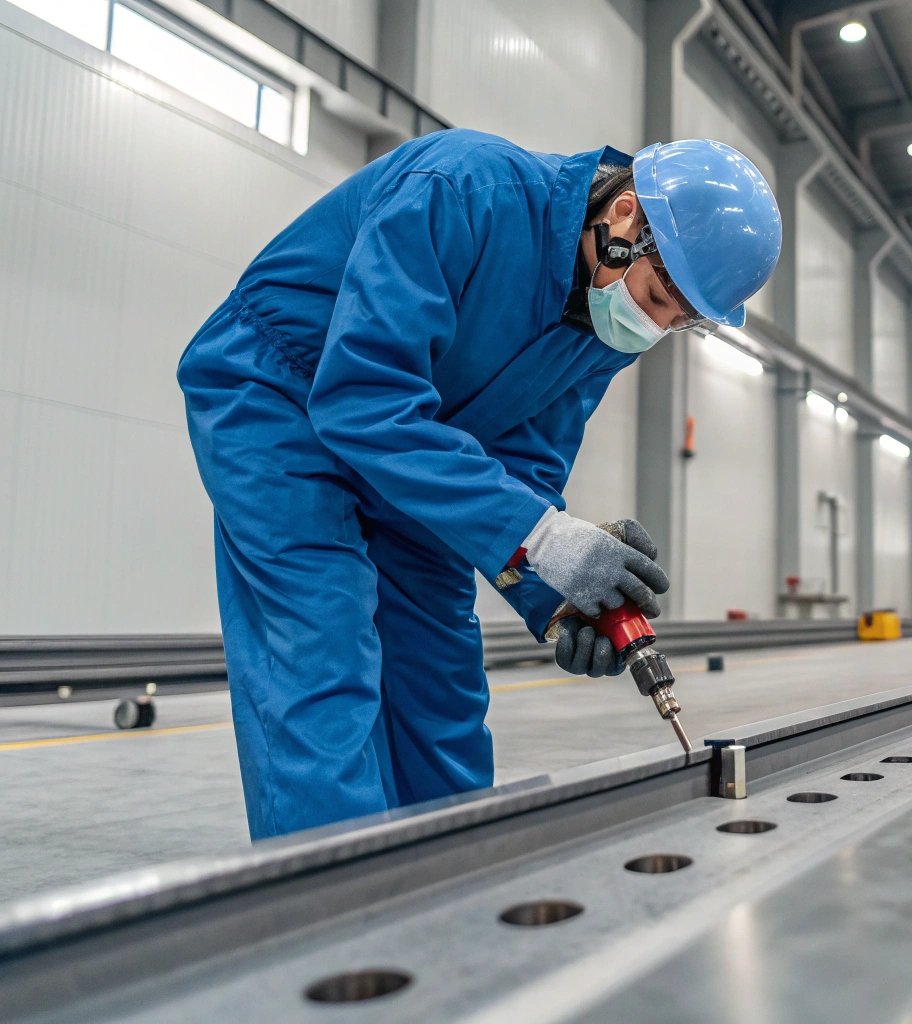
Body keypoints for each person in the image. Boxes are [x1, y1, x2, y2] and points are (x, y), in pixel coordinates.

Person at [177, 130, 781, 840]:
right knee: (322, 647)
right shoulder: (463, 188)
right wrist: (544, 535)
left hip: (422, 449)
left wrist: (558, 598)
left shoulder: (602, 321)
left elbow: (522, 466)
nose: (650, 328)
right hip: (280, 398)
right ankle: (328, 914)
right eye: (655, 298)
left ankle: (451, 889)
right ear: (625, 219)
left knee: (441, 680)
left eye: (675, 322)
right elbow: (361, 397)